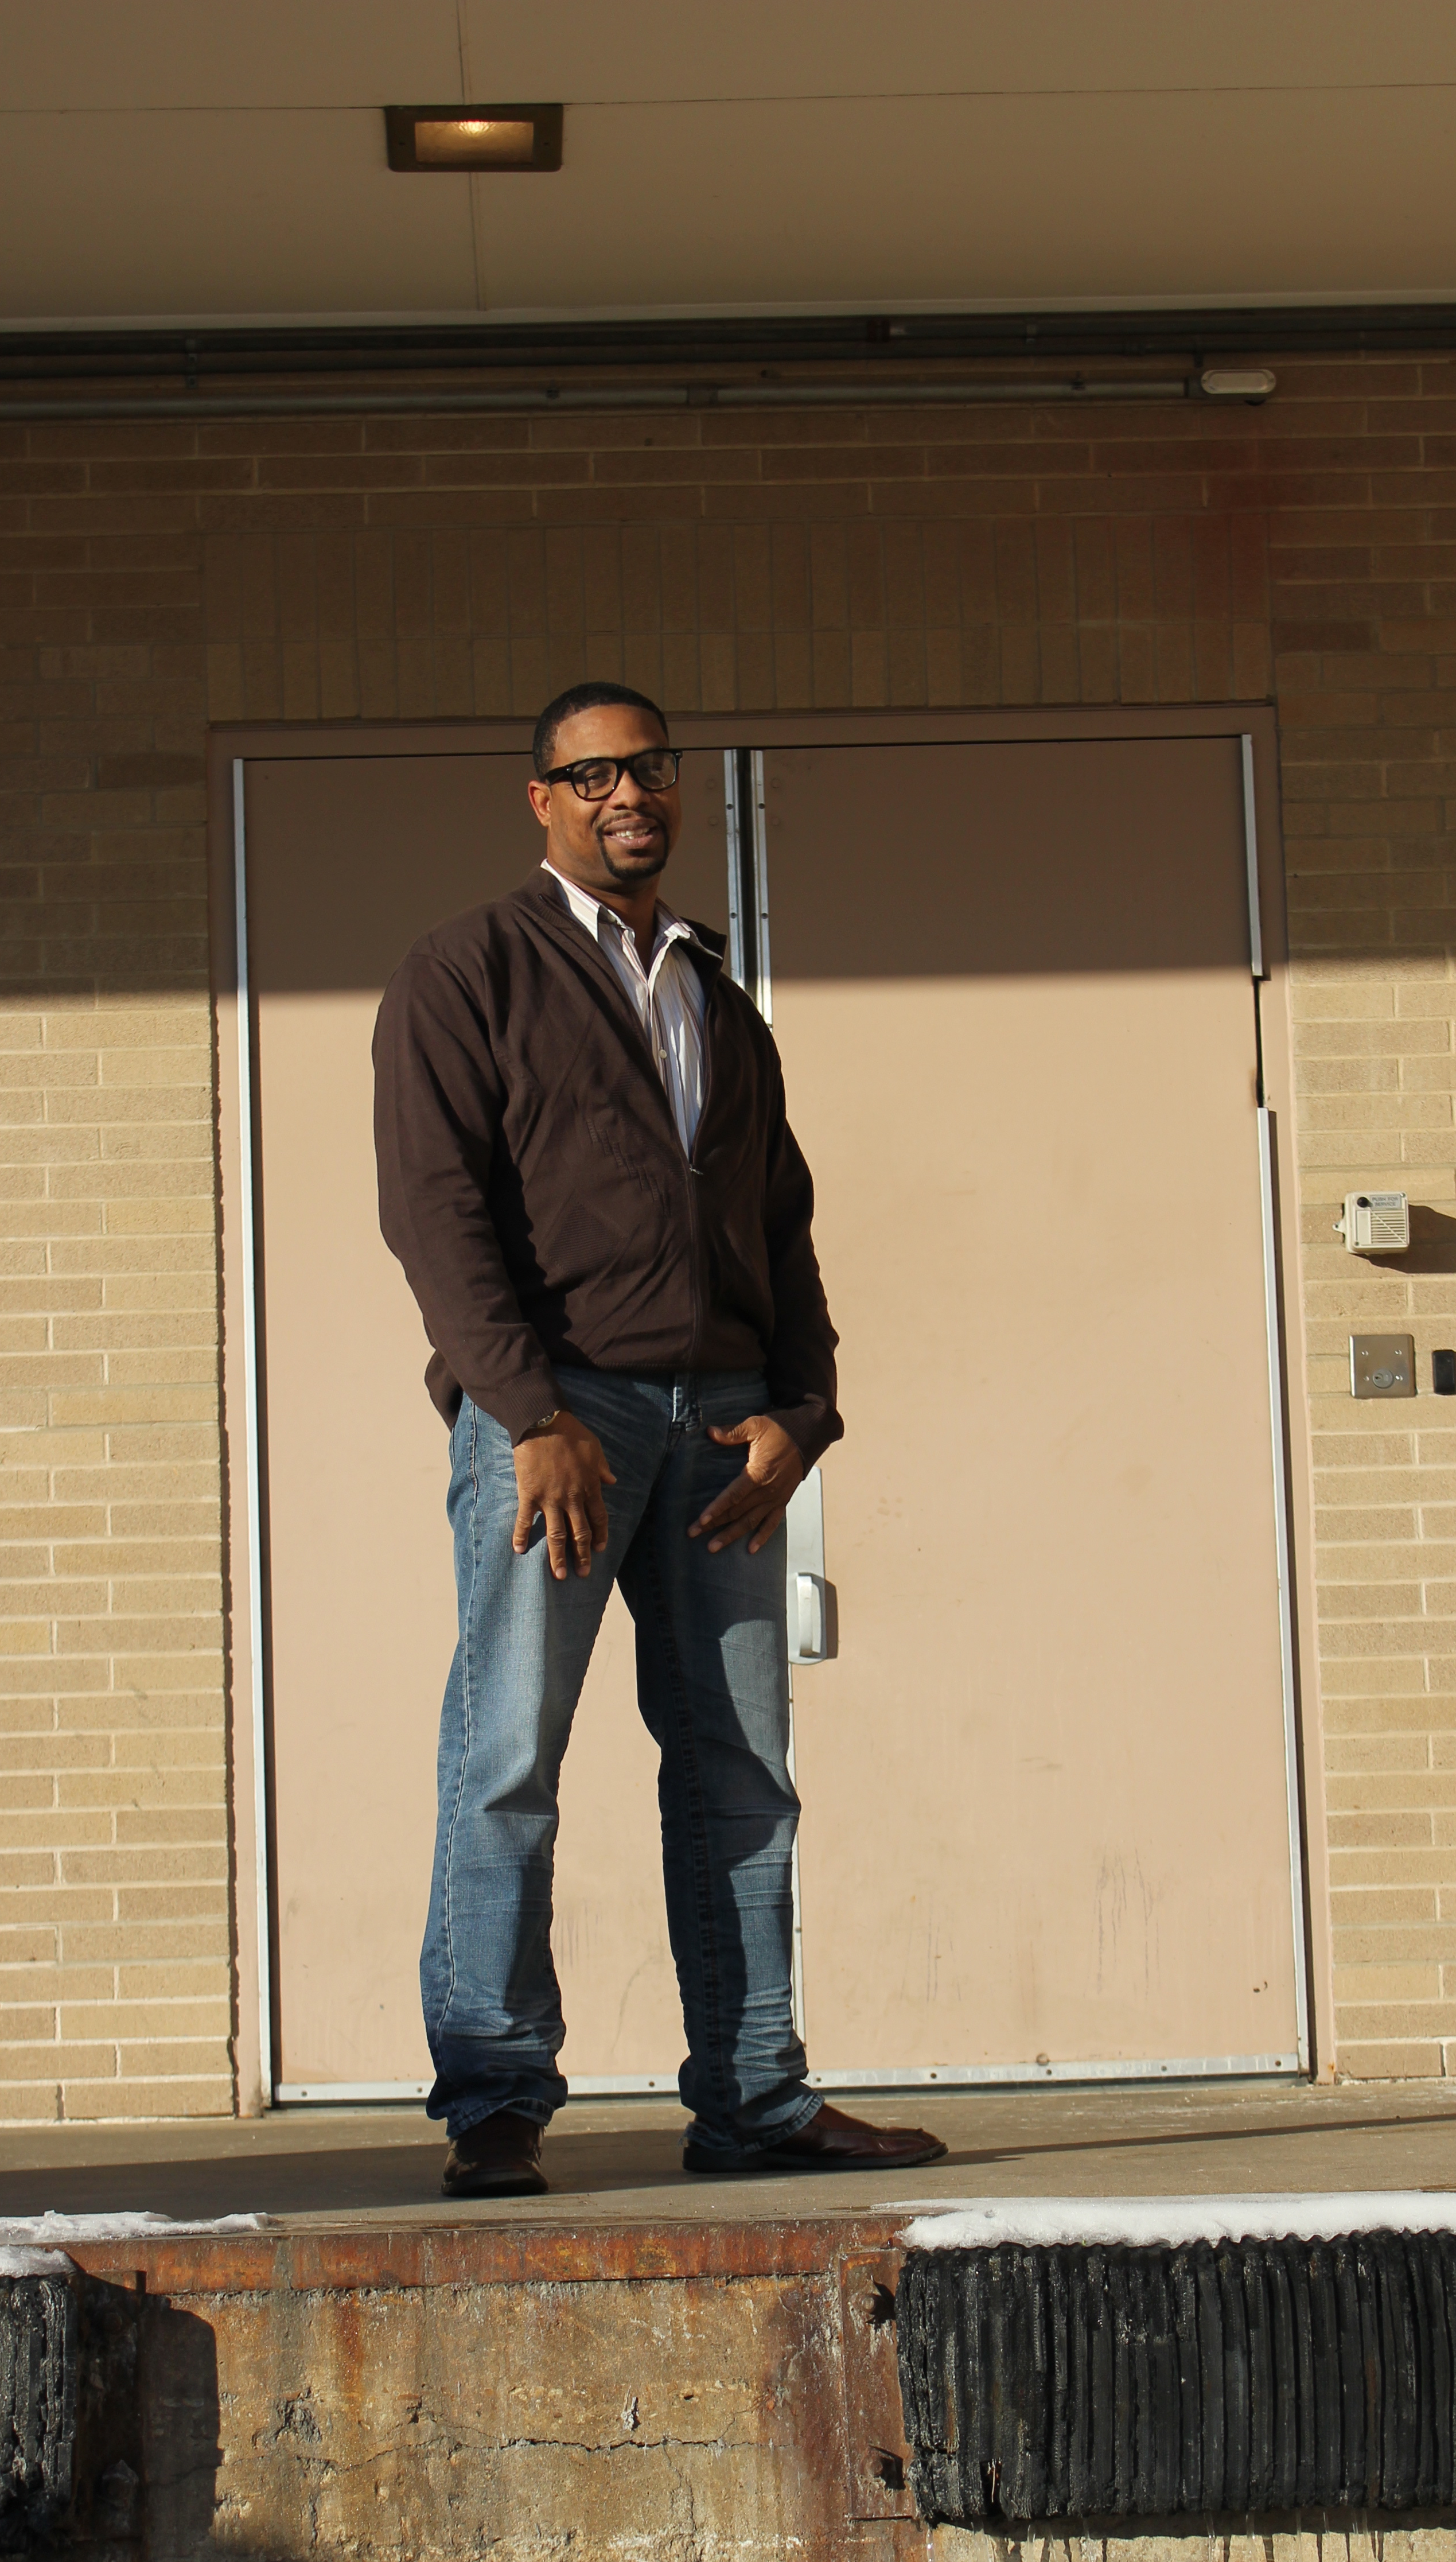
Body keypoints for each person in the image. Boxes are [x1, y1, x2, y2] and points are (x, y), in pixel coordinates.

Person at [373, 682, 947, 2196]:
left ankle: (755, 2100)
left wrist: (804, 1414)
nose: (630, 793)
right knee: (509, 1757)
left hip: (722, 1434)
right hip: (561, 1423)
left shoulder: (716, 996)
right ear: (543, 798)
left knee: (741, 1772)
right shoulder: (469, 970)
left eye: (652, 768)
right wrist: (530, 1412)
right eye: (594, 774)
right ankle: (495, 2100)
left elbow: (780, 1222)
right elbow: (434, 1212)